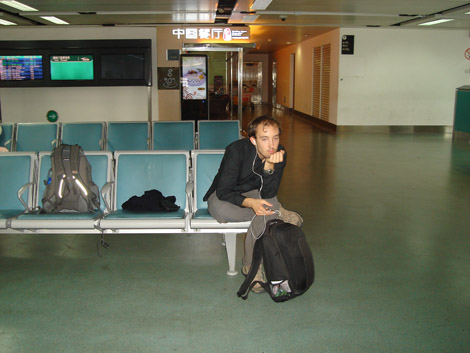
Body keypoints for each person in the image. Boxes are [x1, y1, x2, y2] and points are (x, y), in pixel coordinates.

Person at [204, 115, 295, 293]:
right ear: (253, 140)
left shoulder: (279, 154)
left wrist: (269, 166)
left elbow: (269, 192)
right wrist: (251, 203)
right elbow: (223, 190)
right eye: (264, 138)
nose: (271, 144)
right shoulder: (236, 151)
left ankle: (251, 267)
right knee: (225, 211)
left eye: (275, 138)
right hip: (225, 196)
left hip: (258, 194)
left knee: (264, 212)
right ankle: (277, 209)